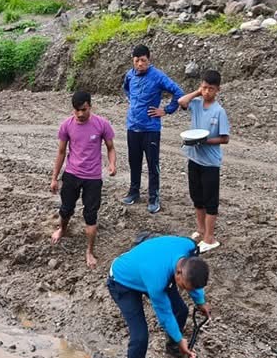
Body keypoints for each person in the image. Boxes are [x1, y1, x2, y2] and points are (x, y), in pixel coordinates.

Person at [107, 235, 210, 358]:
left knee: (182, 311)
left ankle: (171, 348)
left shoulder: (190, 249)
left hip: (149, 268)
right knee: (140, 337)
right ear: (178, 273)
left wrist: (200, 301)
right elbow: (164, 314)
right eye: (184, 287)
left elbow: (194, 276)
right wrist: (180, 338)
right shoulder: (157, 279)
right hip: (122, 282)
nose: (185, 290)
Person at [51, 90, 117, 267]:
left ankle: (89, 251)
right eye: (76, 110)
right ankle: (62, 229)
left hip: (93, 178)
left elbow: (111, 147)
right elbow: (61, 152)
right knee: (65, 209)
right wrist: (54, 178)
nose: (80, 114)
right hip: (72, 174)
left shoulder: (101, 124)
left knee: (90, 215)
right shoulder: (67, 125)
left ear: (90, 106)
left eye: (84, 109)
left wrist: (112, 164)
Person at [121, 44, 184, 214]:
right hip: (132, 126)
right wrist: (133, 102)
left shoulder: (157, 76)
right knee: (134, 162)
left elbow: (178, 92)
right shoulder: (130, 75)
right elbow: (126, 88)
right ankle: (134, 192)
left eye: (143, 60)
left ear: (149, 60)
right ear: (133, 61)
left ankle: (153, 197)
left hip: (151, 129)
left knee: (152, 164)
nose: (140, 64)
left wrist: (166, 110)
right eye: (137, 61)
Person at [178, 70, 231, 253]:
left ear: (218, 90)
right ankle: (200, 230)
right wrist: (197, 92)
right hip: (194, 158)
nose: (207, 91)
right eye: (204, 87)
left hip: (210, 163)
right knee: (197, 198)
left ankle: (210, 237)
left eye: (211, 89)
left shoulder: (219, 112)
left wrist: (205, 141)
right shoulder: (196, 104)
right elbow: (181, 102)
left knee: (210, 201)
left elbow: (225, 139)